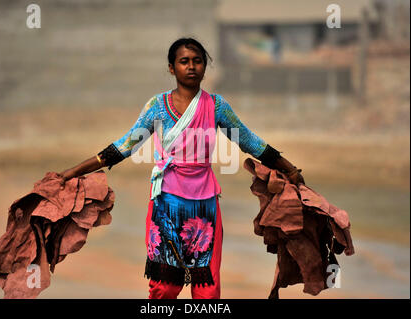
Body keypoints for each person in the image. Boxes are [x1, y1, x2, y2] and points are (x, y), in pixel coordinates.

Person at [58, 38, 306, 299]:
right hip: (166, 203)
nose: (191, 67)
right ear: (171, 68)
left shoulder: (216, 106)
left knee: (207, 291)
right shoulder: (157, 106)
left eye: (197, 61)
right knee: (164, 288)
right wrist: (73, 172)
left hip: (206, 207)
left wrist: (290, 170)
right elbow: (125, 146)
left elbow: (249, 141)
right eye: (184, 61)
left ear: (204, 67)